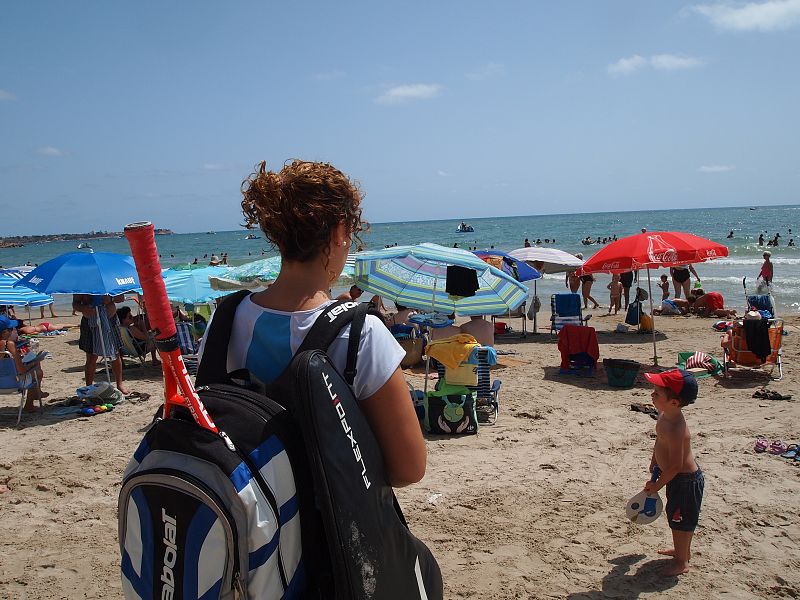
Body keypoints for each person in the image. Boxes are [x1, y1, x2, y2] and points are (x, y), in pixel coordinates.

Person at [227, 159, 426, 489]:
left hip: (244, 517)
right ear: (339, 232)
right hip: (317, 533)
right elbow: (408, 468)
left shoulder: (225, 321)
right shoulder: (361, 334)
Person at [642, 369, 703, 576]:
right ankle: (682, 551)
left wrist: (657, 485)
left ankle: (681, 562)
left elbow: (676, 465)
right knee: (677, 517)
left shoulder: (677, 428)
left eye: (657, 394)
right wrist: (654, 461)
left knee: (680, 521)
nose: (652, 395)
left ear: (674, 402)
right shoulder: (664, 415)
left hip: (685, 481)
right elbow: (659, 441)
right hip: (674, 477)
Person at [72, 294, 128, 394]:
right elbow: (75, 304)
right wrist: (84, 307)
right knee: (91, 356)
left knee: (115, 353)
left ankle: (119, 384)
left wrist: (111, 299)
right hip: (90, 319)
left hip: (110, 319)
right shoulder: (81, 283)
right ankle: (89, 386)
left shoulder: (108, 279)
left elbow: (121, 298)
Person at [0, 316, 47, 410]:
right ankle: (29, 405)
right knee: (37, 372)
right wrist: (33, 363)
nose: (13, 330)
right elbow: (21, 370)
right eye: (10, 329)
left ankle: (37, 395)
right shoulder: (9, 345)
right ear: (4, 332)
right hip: (11, 383)